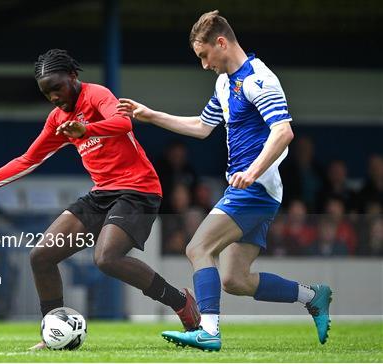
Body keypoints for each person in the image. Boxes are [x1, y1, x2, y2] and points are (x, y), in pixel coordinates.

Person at [0, 49, 200, 349]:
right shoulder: (57, 120)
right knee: (41, 256)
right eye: (46, 92)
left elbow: (124, 123)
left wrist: (86, 128)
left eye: (56, 87)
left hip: (138, 190)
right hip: (101, 193)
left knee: (106, 258)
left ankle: (180, 302)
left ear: (73, 77)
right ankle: (54, 334)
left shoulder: (97, 94)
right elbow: (26, 161)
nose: (53, 96)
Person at [117, 11, 331, 351]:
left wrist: (254, 171)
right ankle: (313, 297)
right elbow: (203, 127)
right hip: (251, 189)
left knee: (197, 248)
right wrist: (150, 115)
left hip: (256, 189)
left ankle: (208, 331)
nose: (204, 64)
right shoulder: (223, 83)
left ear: (221, 42)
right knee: (235, 279)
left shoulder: (259, 79)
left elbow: (283, 131)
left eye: (204, 55)